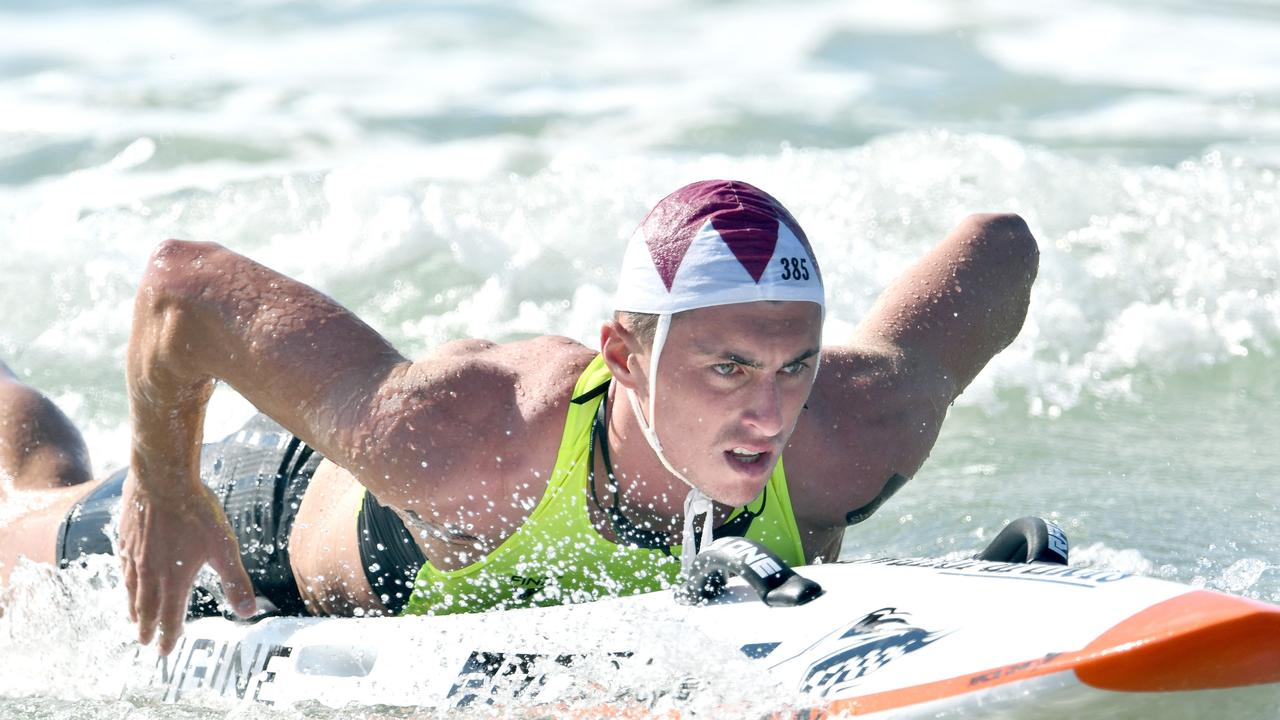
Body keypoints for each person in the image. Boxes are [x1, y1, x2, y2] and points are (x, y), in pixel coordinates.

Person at [0, 180, 1038, 656]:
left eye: (792, 364)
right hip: (273, 514)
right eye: (725, 367)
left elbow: (1000, 244)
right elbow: (182, 289)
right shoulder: (457, 440)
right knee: (30, 504)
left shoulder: (856, 423)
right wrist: (169, 490)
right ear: (622, 355)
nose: (767, 410)